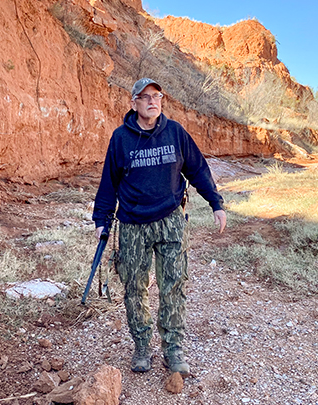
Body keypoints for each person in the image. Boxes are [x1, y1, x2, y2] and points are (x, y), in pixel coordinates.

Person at [92, 78, 226, 375]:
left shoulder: (175, 132)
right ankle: (141, 346)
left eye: (157, 96)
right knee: (134, 288)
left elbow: (197, 169)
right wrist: (102, 220)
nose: (153, 101)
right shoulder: (120, 138)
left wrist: (216, 203)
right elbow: (108, 183)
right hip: (132, 225)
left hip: (170, 222)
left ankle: (173, 348)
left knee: (173, 286)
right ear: (134, 103)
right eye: (145, 96)